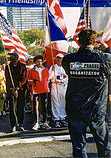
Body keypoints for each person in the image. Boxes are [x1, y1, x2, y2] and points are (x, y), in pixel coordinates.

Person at [62, 29, 111, 158]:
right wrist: (107, 50)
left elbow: (68, 71)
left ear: (78, 42)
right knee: (103, 145)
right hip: (96, 109)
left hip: (75, 108)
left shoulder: (68, 59)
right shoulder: (103, 58)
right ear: (94, 42)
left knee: (79, 146)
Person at [28, 55, 51, 131]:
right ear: (35, 62)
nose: (40, 63)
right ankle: (36, 123)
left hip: (44, 89)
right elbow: (28, 81)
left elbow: (48, 79)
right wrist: (33, 82)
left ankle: (45, 122)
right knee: (35, 107)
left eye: (41, 61)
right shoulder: (31, 70)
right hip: (35, 90)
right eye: (38, 61)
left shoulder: (45, 70)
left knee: (44, 106)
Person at [5, 52, 27, 132]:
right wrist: (12, 89)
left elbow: (24, 78)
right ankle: (13, 125)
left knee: (20, 107)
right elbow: (7, 78)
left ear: (16, 57)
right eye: (10, 56)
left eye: (12, 56)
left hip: (21, 90)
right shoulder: (8, 67)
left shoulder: (22, 66)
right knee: (12, 108)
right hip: (11, 90)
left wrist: (17, 87)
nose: (10, 57)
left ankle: (20, 123)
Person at [49, 53, 68, 128]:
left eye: (60, 58)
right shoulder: (53, 67)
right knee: (55, 102)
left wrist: (62, 81)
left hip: (63, 86)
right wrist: (52, 71)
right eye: (58, 58)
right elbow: (49, 77)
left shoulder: (65, 67)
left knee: (63, 102)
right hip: (55, 85)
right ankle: (56, 119)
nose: (59, 59)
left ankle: (62, 118)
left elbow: (68, 77)